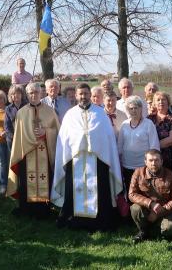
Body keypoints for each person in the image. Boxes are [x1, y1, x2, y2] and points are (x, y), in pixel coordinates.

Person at [52, 83, 123, 231]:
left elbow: (107, 138)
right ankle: (74, 219)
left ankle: (99, 221)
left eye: (85, 93)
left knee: (100, 190)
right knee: (74, 189)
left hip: (98, 160)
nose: (83, 96)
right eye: (80, 94)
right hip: (75, 159)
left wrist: (92, 141)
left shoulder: (100, 114)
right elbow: (64, 139)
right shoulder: (70, 115)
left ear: (90, 95)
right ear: (76, 96)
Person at [7, 82, 59, 218]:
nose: (33, 95)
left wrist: (46, 132)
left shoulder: (50, 111)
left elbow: (57, 131)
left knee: (45, 180)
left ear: (41, 93)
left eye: (36, 92)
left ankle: (44, 210)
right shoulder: (21, 113)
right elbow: (18, 136)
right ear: (27, 95)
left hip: (45, 153)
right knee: (26, 181)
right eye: (30, 92)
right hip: (27, 154)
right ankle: (27, 209)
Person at [129, 149, 172, 243]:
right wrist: (151, 204)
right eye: (150, 160)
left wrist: (158, 213)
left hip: (166, 210)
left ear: (162, 161)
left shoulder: (171, 176)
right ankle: (143, 231)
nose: (153, 163)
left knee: (171, 228)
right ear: (145, 161)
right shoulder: (138, 173)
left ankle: (163, 233)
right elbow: (132, 194)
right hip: (147, 208)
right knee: (135, 209)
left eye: (156, 160)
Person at [118, 95, 160, 195]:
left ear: (141, 108)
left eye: (136, 108)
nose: (133, 111)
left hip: (143, 167)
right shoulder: (124, 124)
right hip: (127, 165)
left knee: (145, 193)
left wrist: (152, 164)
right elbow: (119, 145)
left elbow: (154, 146)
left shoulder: (148, 124)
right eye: (131, 108)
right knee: (130, 193)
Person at [148, 92, 172, 172]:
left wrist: (153, 147)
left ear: (168, 102)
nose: (160, 102)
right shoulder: (149, 119)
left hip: (166, 159)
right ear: (154, 103)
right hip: (150, 159)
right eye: (158, 100)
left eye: (163, 99)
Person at [5, 85, 27, 153]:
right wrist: (14, 137)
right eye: (13, 94)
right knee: (15, 161)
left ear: (21, 94)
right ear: (10, 96)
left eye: (17, 93)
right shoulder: (8, 108)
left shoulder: (27, 106)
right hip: (12, 139)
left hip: (26, 138)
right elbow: (7, 126)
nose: (15, 95)